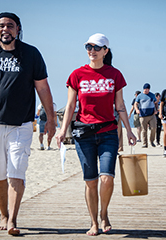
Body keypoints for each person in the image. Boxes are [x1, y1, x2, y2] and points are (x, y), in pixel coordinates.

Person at [0, 12, 56, 236]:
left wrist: (51, 119)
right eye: (1, 26)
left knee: (16, 170)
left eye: (10, 26)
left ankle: (13, 219)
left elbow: (43, 88)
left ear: (18, 29)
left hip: (21, 124)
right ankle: (3, 214)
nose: (6, 29)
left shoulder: (31, 54)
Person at [55, 33, 136, 236]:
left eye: (96, 47)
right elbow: (71, 105)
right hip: (83, 134)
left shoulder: (115, 74)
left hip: (108, 132)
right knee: (90, 181)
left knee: (107, 178)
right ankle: (93, 222)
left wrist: (128, 130)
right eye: (89, 47)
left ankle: (104, 213)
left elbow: (120, 106)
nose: (92, 51)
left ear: (105, 51)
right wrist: (62, 130)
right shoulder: (76, 75)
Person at [135, 83, 158, 148]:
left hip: (151, 115)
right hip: (143, 115)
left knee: (153, 128)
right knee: (144, 130)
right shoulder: (140, 96)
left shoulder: (152, 95)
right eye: (145, 89)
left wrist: (156, 109)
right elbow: (135, 104)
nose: (146, 90)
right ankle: (145, 143)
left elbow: (156, 102)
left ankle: (152, 141)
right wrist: (137, 109)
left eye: (147, 89)